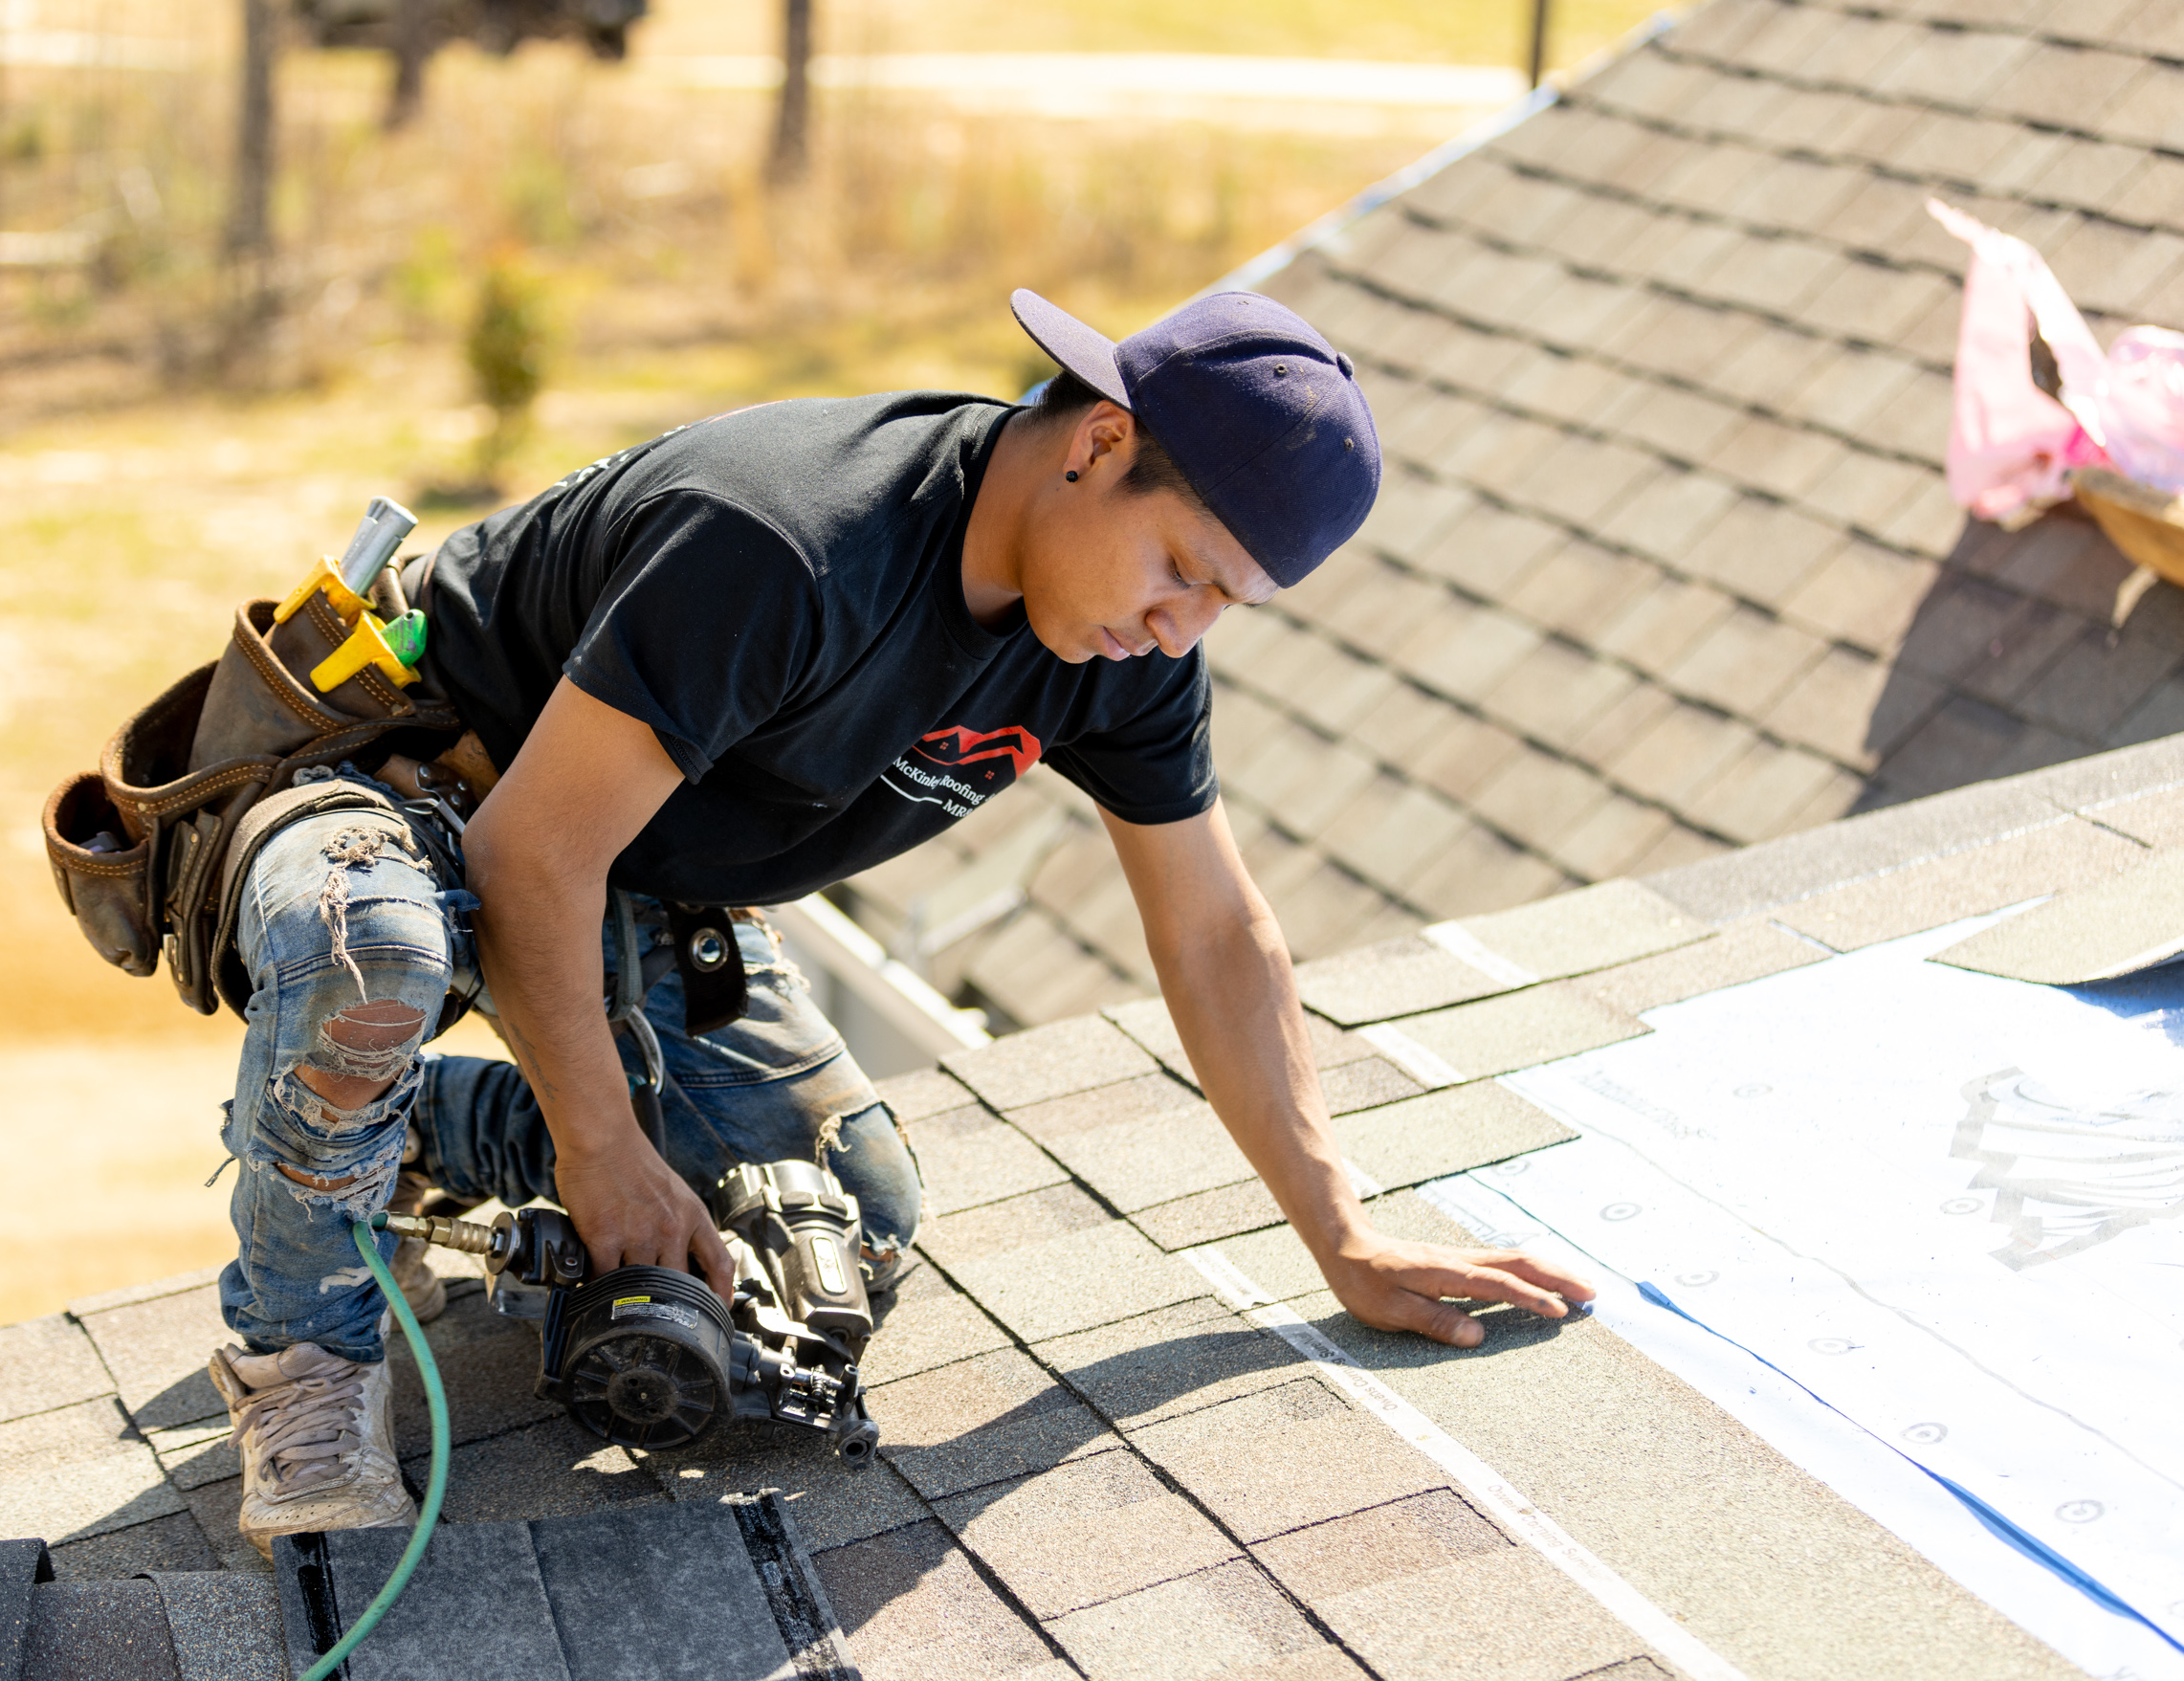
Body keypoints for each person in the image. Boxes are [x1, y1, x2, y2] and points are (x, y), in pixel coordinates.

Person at [205, 288, 1597, 1557]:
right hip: (422, 788)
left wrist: (1340, 1237)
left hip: (639, 868)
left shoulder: (1120, 656)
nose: (1180, 629)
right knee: (368, 955)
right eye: (1183, 567)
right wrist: (602, 1146)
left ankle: (380, 1133)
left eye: (1225, 603)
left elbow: (1217, 936)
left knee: (834, 1218)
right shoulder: (793, 542)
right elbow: (530, 857)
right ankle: (301, 1355)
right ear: (1102, 442)